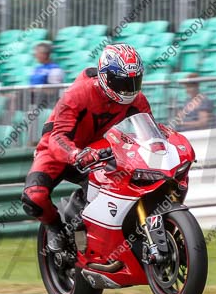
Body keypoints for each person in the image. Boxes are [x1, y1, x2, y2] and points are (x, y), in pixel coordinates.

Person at [21, 44, 151, 251]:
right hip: (56, 150)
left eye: (134, 81)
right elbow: (58, 136)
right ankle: (54, 226)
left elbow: (149, 130)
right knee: (33, 197)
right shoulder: (77, 94)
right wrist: (75, 154)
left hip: (94, 150)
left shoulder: (136, 99)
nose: (129, 88)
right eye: (123, 82)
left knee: (124, 178)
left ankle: (108, 231)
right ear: (106, 78)